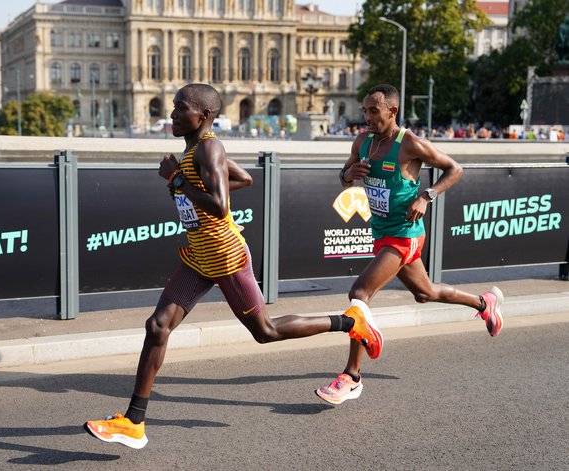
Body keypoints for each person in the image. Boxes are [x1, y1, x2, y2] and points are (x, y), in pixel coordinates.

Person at [84, 83, 383, 449]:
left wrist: (176, 179)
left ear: (204, 116)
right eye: (175, 108)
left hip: (225, 256)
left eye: (181, 108)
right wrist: (185, 179)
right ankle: (134, 422)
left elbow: (220, 206)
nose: (173, 114)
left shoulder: (209, 147)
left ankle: (351, 322)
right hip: (198, 256)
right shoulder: (196, 148)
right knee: (157, 326)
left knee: (266, 332)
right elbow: (244, 179)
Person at [315, 84, 504, 405]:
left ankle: (351, 377)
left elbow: (454, 169)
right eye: (364, 111)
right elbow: (343, 176)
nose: (367, 117)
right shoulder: (362, 142)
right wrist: (348, 174)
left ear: (392, 111)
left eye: (374, 111)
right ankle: (485, 304)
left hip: (405, 233)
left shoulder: (410, 144)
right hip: (382, 231)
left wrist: (427, 196)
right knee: (424, 292)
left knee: (360, 295)